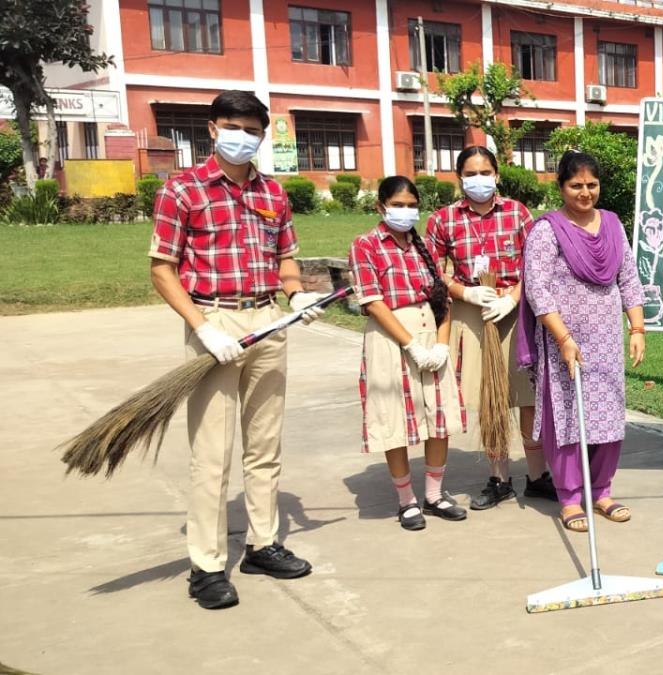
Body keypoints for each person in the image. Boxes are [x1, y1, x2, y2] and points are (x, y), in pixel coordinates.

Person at [148, 90, 322, 610]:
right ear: (212, 129)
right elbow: (162, 269)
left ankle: (262, 543)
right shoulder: (183, 190)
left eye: (252, 130)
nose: (242, 138)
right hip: (215, 321)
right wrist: (202, 328)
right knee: (211, 453)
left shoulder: (274, 193)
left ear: (263, 135)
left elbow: (286, 259)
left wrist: (296, 294)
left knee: (264, 445)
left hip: (268, 318)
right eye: (233, 127)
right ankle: (205, 565)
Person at [520, 151, 646, 533]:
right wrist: (562, 338)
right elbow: (537, 289)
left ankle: (602, 490)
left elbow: (629, 277)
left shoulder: (611, 224)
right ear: (561, 187)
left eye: (592, 184)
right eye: (576, 185)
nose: (585, 192)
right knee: (569, 419)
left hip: (606, 338)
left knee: (608, 416)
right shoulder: (547, 230)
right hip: (566, 342)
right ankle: (571, 497)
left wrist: (637, 329)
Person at [425, 146, 555, 508]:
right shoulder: (443, 219)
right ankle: (499, 477)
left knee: (526, 396)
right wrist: (463, 291)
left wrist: (513, 297)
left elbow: (536, 264)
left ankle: (536, 475)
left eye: (485, 172)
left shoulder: (518, 213)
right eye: (470, 173)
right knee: (489, 397)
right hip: (473, 312)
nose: (478, 180)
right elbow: (433, 271)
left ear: (497, 175)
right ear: (459, 177)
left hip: (515, 310)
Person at [349, 177, 468, 531]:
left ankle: (434, 494)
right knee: (395, 418)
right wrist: (410, 344)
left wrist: (442, 343)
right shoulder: (366, 245)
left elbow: (442, 297)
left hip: (431, 329)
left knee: (439, 414)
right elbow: (372, 301)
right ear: (381, 206)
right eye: (397, 205)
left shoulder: (424, 247)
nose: (405, 211)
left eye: (411, 205)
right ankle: (406, 500)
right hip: (390, 337)